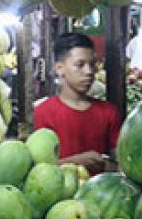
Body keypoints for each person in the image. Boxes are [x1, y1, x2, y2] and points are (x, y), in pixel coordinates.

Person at [34, 32, 121, 173]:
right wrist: (76, 162)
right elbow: (37, 171)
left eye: (92, 64)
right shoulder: (42, 113)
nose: (89, 71)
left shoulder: (108, 113)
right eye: (80, 65)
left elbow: (119, 164)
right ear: (60, 68)